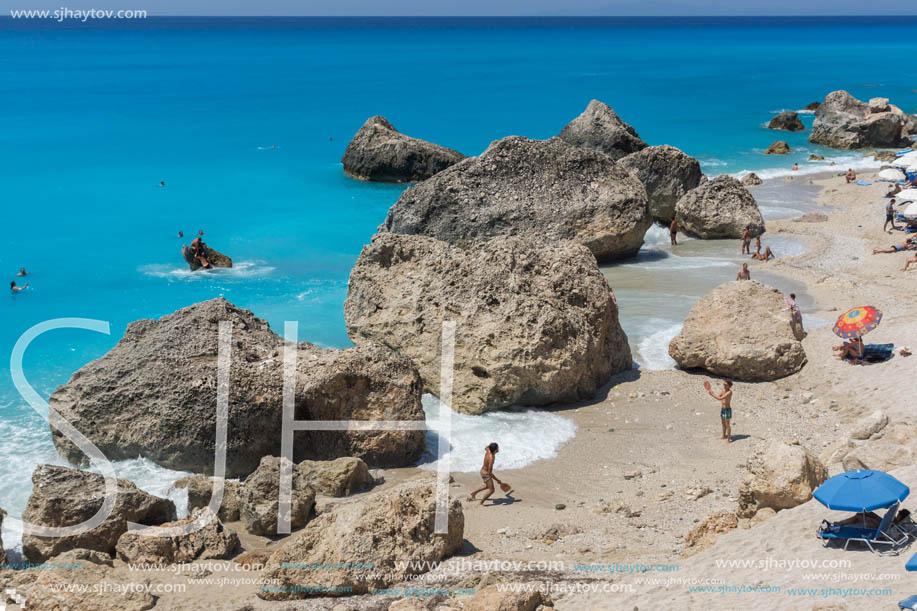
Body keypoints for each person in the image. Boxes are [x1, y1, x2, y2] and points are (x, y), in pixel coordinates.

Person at [469, 443, 504, 507]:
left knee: (487, 486)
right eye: (498, 448)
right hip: (486, 474)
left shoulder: (488, 450)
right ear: (495, 450)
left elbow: (486, 447)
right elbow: (489, 472)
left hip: (482, 471)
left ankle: (473, 493)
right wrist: (497, 480)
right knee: (492, 490)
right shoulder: (491, 458)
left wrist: (490, 445)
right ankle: (480, 503)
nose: (499, 448)